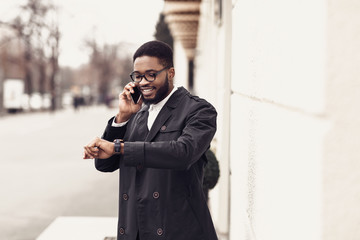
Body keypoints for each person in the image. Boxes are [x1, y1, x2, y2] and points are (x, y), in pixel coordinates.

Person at [83, 40, 218, 240]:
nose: (143, 82)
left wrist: (119, 147)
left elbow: (183, 153)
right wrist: (121, 118)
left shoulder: (198, 110)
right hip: (135, 231)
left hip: (178, 231)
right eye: (138, 76)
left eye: (151, 74)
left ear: (170, 73)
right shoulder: (136, 113)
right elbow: (104, 165)